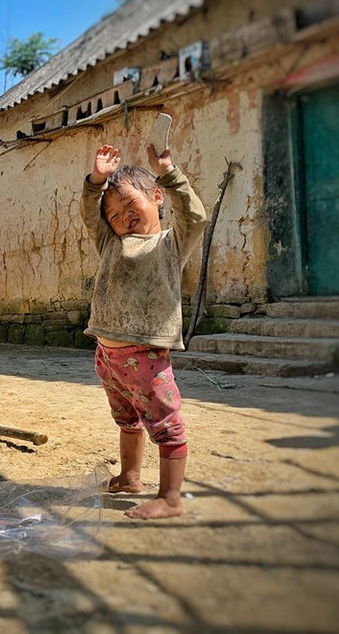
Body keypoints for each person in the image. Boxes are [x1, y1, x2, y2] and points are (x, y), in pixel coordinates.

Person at [80, 141, 208, 519]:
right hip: (107, 357)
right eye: (115, 214)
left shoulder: (171, 243)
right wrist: (96, 181)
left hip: (147, 356)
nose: (123, 216)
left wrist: (169, 173)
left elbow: (195, 217)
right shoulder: (110, 243)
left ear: (156, 197)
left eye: (130, 204)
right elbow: (91, 214)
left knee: (166, 425)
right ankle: (130, 476)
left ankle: (170, 498)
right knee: (128, 420)